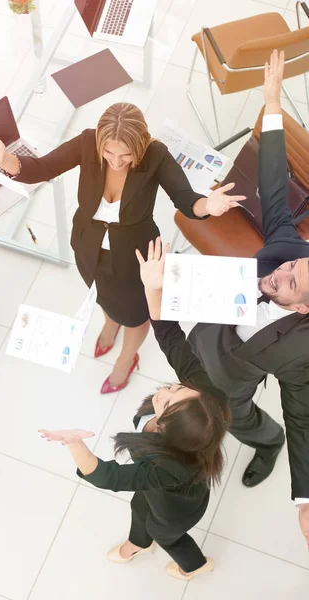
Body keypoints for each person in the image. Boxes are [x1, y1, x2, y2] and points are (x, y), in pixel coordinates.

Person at [0, 102, 244, 393]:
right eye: (108, 152)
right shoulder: (87, 142)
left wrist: (210, 205)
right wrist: (4, 158)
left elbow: (185, 198)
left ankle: (127, 357)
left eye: (126, 155)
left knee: (135, 314)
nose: (116, 162)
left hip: (136, 259)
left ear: (140, 146)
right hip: (87, 245)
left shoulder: (155, 155)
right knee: (101, 293)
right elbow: (43, 168)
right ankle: (110, 322)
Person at [39, 238, 230, 580]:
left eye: (167, 399)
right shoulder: (206, 397)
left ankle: (195, 565)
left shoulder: (165, 467)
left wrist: (73, 442)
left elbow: (106, 476)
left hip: (176, 512)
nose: (169, 387)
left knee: (164, 531)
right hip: (164, 493)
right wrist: (152, 287)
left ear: (168, 431)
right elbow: (169, 335)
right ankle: (138, 542)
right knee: (140, 505)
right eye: (178, 387)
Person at [182, 50, 309, 547]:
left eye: (292, 282)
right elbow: (274, 185)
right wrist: (273, 102)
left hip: (234, 378)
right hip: (203, 328)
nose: (280, 272)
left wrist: (305, 497)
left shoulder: (301, 349)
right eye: (294, 264)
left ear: (302, 310)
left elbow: (303, 414)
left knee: (237, 419)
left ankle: (265, 440)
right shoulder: (287, 250)